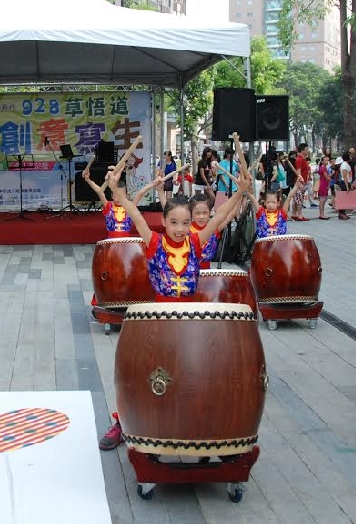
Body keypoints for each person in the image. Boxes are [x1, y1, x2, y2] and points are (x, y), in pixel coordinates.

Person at [97, 166, 250, 450]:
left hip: (191, 324)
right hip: (159, 324)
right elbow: (132, 212)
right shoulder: (153, 242)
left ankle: (198, 423)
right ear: (164, 222)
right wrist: (116, 190)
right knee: (140, 374)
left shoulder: (195, 241)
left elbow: (217, 218)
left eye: (185, 223)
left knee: (197, 374)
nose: (180, 229)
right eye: (174, 223)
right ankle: (123, 421)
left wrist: (241, 191)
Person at [81, 166, 161, 237]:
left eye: (121, 195)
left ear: (126, 195)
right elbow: (100, 192)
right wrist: (88, 180)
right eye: (116, 195)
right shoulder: (109, 206)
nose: (118, 198)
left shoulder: (129, 207)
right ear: (112, 195)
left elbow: (140, 193)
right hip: (112, 246)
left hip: (126, 247)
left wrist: (153, 184)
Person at [316, 154, 332, 220]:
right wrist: (330, 176)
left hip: (323, 183)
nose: (327, 162)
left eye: (328, 160)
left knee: (323, 199)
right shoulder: (323, 167)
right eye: (326, 160)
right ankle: (321, 214)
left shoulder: (322, 167)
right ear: (322, 161)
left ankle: (322, 214)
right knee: (323, 199)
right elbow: (326, 177)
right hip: (323, 184)